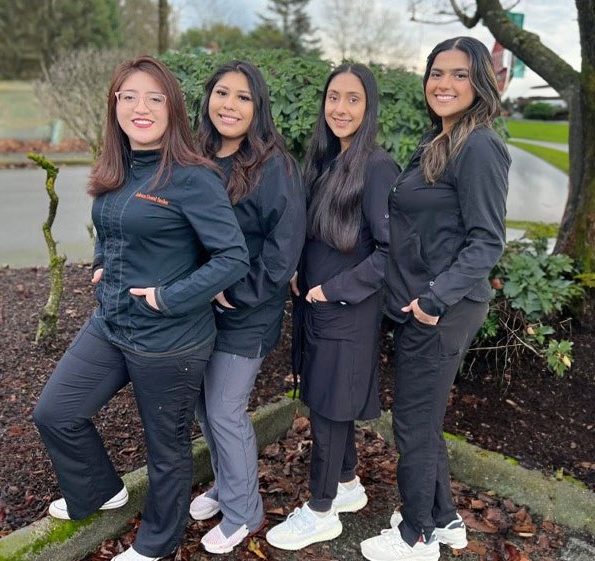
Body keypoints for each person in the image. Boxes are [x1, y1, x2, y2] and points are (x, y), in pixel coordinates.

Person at [32, 55, 249, 561]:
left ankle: (156, 545)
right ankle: (99, 491)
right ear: (115, 107)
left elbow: (232, 255)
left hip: (170, 341)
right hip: (111, 323)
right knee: (55, 413)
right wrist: (103, 262)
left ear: (172, 109)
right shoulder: (119, 166)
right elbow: (110, 224)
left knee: (166, 452)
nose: (140, 107)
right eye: (128, 97)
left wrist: (170, 296)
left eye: (154, 98)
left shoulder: (193, 177)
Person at [359, 37, 510, 561]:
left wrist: (432, 300)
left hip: (441, 311)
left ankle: (416, 536)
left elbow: (487, 240)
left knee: (412, 424)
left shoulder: (480, 146)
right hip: (421, 304)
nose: (444, 84)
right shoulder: (441, 139)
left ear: (481, 84)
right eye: (437, 73)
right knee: (423, 421)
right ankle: (444, 521)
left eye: (460, 75)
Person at [266, 63, 400, 551]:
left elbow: (392, 252)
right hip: (317, 308)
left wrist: (332, 290)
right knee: (330, 400)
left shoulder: (377, 166)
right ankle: (346, 485)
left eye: (353, 99)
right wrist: (302, 272)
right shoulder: (325, 160)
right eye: (334, 98)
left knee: (328, 407)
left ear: (369, 108)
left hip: (347, 310)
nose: (340, 109)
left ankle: (321, 509)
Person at [189, 60, 306, 554]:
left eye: (242, 96)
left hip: (247, 310)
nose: (229, 105)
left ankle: (244, 511)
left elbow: (284, 248)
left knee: (224, 408)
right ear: (208, 98)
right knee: (203, 406)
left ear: (258, 107)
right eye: (222, 93)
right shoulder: (196, 155)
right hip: (196, 307)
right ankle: (226, 485)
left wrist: (238, 293)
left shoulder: (274, 164)